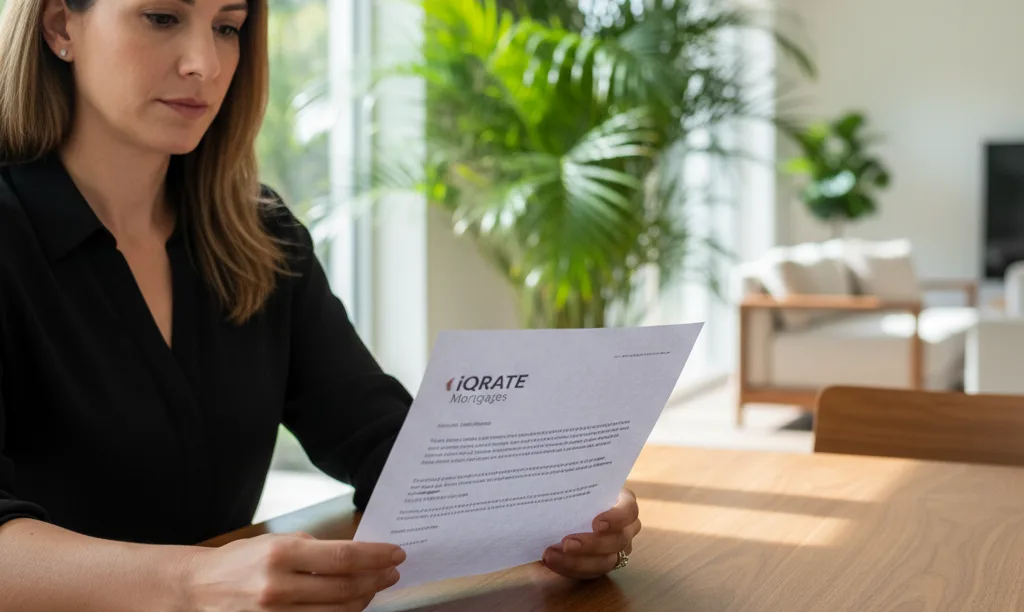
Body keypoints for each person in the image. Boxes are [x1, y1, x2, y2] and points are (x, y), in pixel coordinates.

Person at [0, 0, 642, 609]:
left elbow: (374, 431)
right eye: (163, 17)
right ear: (62, 26)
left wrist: (553, 506)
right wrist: (194, 585)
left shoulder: (260, 234)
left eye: (228, 26)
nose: (207, 63)